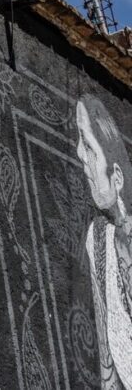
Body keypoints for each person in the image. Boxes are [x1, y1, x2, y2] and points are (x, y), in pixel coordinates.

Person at [76, 94, 132, 390]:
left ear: (117, 178)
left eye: (88, 146)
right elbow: (107, 365)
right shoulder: (98, 238)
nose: (80, 154)